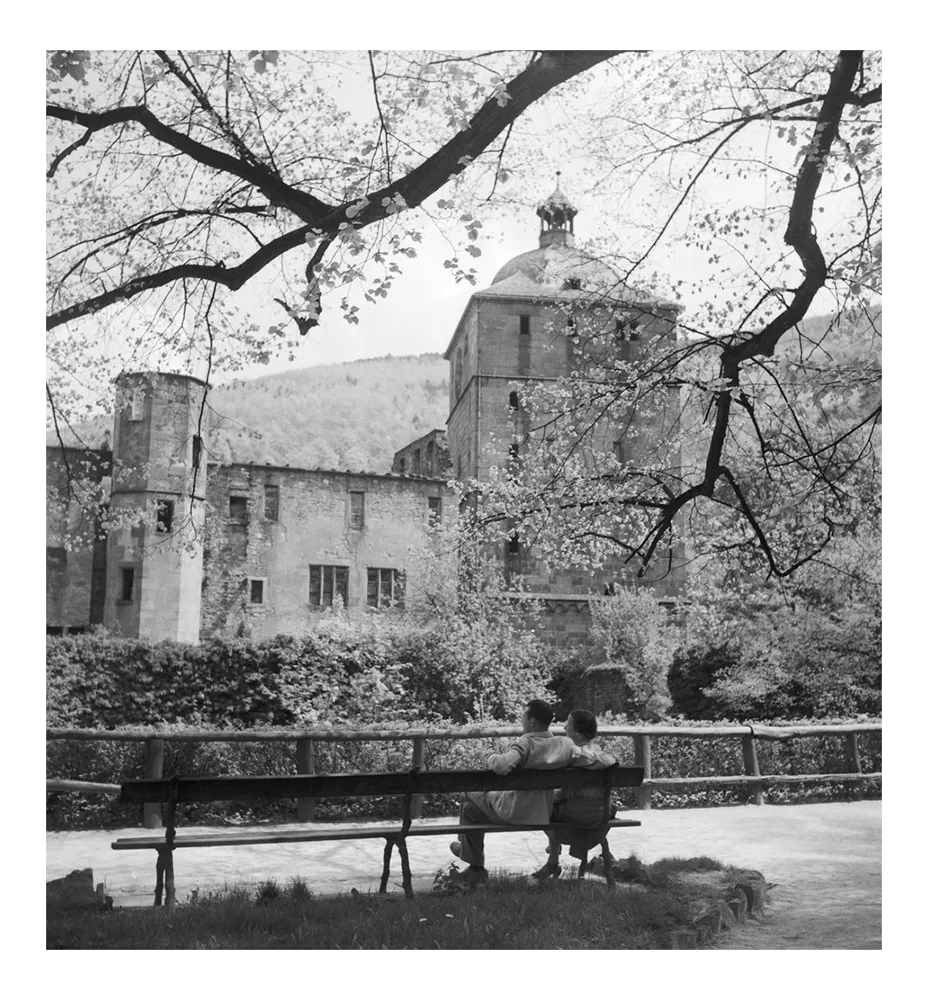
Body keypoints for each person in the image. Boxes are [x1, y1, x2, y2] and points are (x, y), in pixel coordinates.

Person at [450, 699, 612, 884]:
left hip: (512, 811)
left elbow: (501, 766)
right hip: (541, 814)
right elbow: (595, 759)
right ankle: (473, 864)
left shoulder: (525, 742)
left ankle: (470, 858)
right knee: (470, 809)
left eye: (523, 718)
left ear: (532, 722)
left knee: (468, 791)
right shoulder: (564, 745)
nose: (522, 722)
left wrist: (491, 757)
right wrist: (609, 761)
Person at [531, 709, 616, 880]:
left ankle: (553, 860)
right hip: (601, 816)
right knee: (556, 805)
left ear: (578, 732)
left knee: (541, 807)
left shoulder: (571, 757)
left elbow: (562, 795)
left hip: (575, 817)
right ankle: (552, 860)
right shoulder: (598, 754)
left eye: (568, 725)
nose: (564, 728)